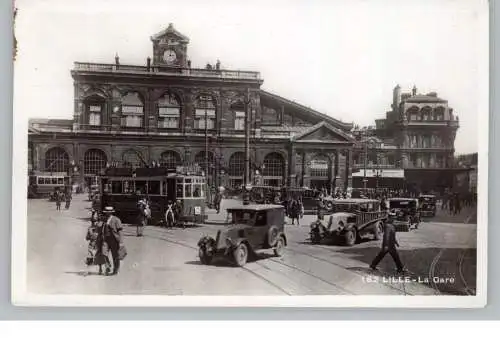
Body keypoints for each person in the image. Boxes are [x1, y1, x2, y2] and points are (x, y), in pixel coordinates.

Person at [101, 206, 125, 275]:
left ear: (111, 212)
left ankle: (116, 270)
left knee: (115, 256)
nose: (107, 214)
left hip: (114, 240)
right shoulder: (104, 219)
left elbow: (120, 231)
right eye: (106, 212)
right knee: (104, 253)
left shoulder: (116, 220)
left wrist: (121, 242)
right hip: (106, 239)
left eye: (108, 212)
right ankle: (108, 266)